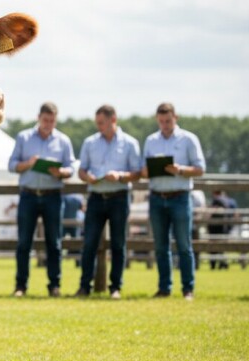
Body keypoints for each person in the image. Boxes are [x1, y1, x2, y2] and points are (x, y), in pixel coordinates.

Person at [74, 105, 142, 299]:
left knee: (118, 244)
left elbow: (137, 173)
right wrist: (88, 178)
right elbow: (81, 170)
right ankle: (84, 286)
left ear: (113, 120)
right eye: (97, 123)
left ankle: (115, 288)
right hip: (95, 197)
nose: (99, 126)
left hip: (119, 197)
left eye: (101, 122)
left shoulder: (130, 143)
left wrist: (120, 176)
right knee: (89, 243)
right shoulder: (90, 142)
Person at [8, 102, 74, 297]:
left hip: (52, 194)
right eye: (46, 120)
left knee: (54, 243)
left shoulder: (63, 140)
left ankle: (54, 285)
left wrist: (61, 172)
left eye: (52, 121)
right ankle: (21, 286)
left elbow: (72, 167)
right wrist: (28, 164)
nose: (48, 124)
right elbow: (12, 165)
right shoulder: (24, 137)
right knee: (23, 243)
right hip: (28, 194)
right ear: (39, 118)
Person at [142, 102, 205, 300]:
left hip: (180, 196)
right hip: (157, 197)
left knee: (184, 245)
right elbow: (143, 169)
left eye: (168, 121)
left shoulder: (189, 139)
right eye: (161, 121)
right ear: (157, 120)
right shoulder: (151, 141)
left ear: (175, 118)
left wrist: (180, 170)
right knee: (161, 246)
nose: (165, 125)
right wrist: (148, 170)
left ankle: (188, 288)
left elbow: (200, 168)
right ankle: (164, 288)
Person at [207, 190, 237, 269]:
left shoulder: (217, 201)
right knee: (221, 248)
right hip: (224, 227)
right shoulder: (227, 201)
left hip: (215, 228)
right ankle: (222, 263)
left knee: (214, 247)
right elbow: (235, 214)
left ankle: (214, 264)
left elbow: (210, 213)